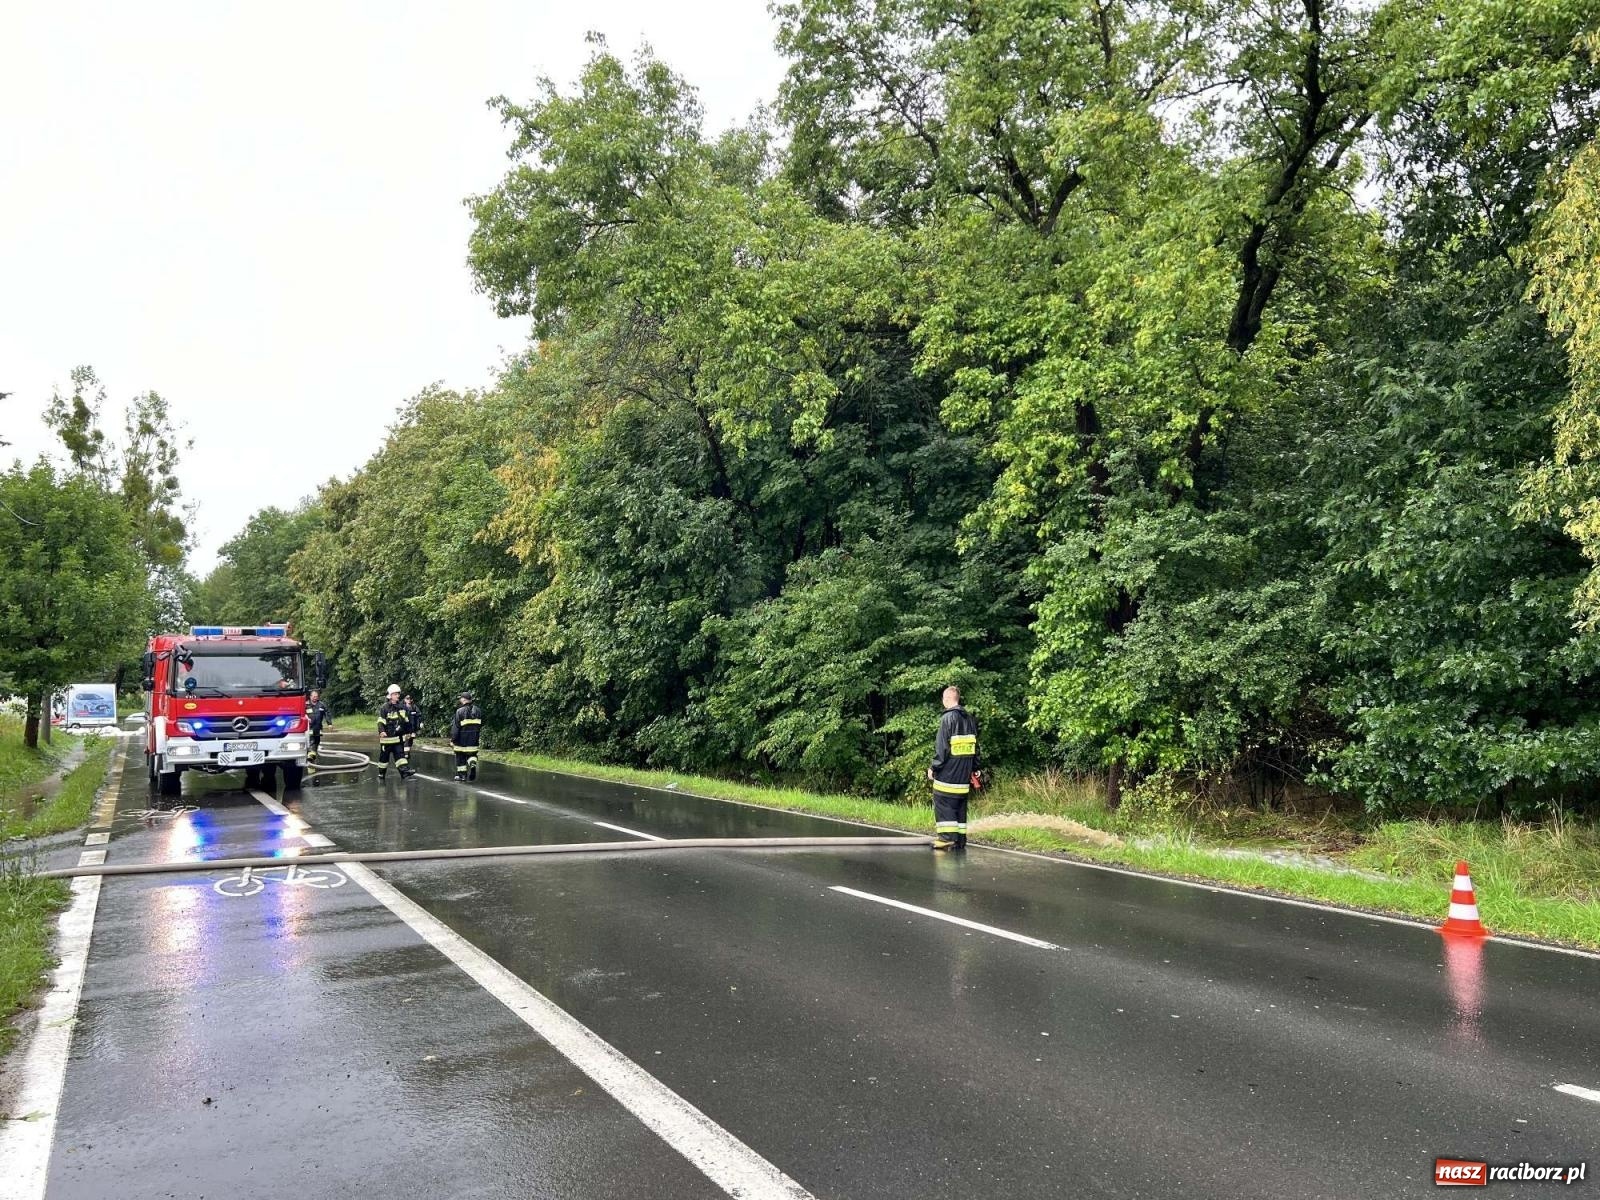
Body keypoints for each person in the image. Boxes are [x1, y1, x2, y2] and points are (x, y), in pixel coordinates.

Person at [927, 685, 980, 851]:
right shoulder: (970, 719)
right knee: (959, 806)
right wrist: (975, 768)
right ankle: (959, 840)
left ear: (947, 699)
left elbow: (942, 749)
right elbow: (975, 747)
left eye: (943, 699)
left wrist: (933, 768)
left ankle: (946, 838)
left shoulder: (947, 719)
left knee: (943, 801)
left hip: (949, 773)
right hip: (964, 774)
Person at [376, 684, 414, 780]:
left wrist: (409, 731)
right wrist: (381, 731)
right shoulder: (384, 708)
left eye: (398, 694)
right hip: (387, 740)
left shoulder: (401, 707)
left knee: (400, 756)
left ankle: (404, 772)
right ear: (390, 695)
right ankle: (381, 773)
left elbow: (406, 720)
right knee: (384, 759)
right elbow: (381, 721)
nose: (397, 696)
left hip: (397, 738)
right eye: (395, 694)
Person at [449, 690, 483, 781]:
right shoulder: (478, 710)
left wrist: (453, 739)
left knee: (460, 757)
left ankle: (462, 776)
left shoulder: (459, 711)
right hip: (474, 738)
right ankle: (472, 765)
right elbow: (481, 724)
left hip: (461, 740)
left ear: (464, 700)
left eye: (460, 699)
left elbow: (456, 728)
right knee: (472, 755)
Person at [307, 690, 330, 762]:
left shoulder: (321, 705)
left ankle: (314, 753)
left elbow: (327, 713)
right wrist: (306, 718)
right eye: (313, 696)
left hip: (318, 727)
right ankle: (311, 757)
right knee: (312, 740)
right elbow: (302, 713)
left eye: (316, 696)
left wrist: (329, 724)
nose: (315, 698)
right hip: (309, 727)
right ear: (310, 697)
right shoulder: (306, 705)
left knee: (317, 741)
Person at [402, 692, 422, 757]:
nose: (409, 700)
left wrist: (420, 723)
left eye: (410, 699)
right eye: (407, 699)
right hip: (405, 728)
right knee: (406, 740)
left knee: (411, 740)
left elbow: (419, 715)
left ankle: (408, 752)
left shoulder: (414, 707)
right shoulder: (402, 707)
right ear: (405, 700)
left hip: (413, 728)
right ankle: (406, 754)